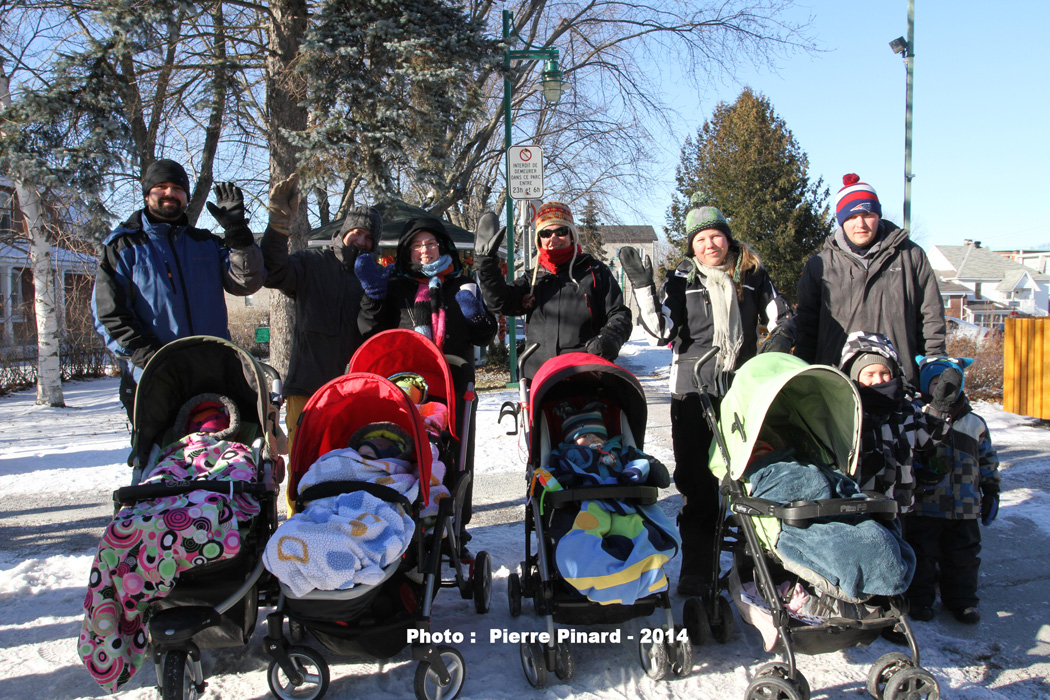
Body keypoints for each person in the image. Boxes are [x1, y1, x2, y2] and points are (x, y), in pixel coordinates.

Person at [618, 196, 790, 596]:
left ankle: (756, 565)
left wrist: (772, 353)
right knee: (698, 483)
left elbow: (783, 318)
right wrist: (643, 287)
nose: (710, 245)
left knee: (752, 477)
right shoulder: (681, 280)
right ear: (691, 247)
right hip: (693, 391)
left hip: (742, 390)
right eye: (700, 240)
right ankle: (698, 569)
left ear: (728, 240)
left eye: (716, 236)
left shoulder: (753, 277)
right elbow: (660, 330)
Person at [92, 159, 265, 424]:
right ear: (147, 193)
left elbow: (245, 283)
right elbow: (109, 315)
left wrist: (238, 234)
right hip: (154, 378)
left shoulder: (206, 243)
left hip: (213, 375)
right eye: (161, 187)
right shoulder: (123, 247)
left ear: (186, 196)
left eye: (177, 188)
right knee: (163, 461)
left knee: (223, 457)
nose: (170, 193)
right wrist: (150, 358)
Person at [356, 216, 497, 539]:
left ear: (443, 246)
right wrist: (372, 296)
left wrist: (475, 313)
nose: (424, 250)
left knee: (455, 454)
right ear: (407, 251)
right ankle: (401, 516)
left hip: (455, 382)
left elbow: (484, 336)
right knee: (405, 448)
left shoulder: (462, 282)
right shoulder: (395, 286)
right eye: (417, 245)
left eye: (430, 243)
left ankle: (454, 523)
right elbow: (370, 331)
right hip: (406, 382)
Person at [261, 173, 382, 452]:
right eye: (357, 233)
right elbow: (274, 273)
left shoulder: (375, 279)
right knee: (305, 466)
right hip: (307, 387)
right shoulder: (311, 263)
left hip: (355, 391)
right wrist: (278, 227)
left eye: (369, 237)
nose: (362, 241)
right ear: (344, 232)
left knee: (350, 467)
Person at [794, 173, 946, 387]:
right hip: (837, 382)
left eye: (868, 214)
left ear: (878, 215)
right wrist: (804, 375)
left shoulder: (911, 256)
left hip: (898, 381)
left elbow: (931, 316)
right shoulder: (820, 265)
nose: (861, 224)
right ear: (841, 221)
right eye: (852, 217)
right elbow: (807, 326)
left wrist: (934, 366)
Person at [473, 202, 632, 380]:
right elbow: (500, 301)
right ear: (539, 239)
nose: (553, 238)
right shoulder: (533, 279)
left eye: (561, 231)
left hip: (586, 374)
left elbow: (619, 314)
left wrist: (609, 339)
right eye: (546, 233)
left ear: (572, 234)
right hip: (539, 377)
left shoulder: (595, 272)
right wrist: (486, 264)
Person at [906, 356, 1000, 624]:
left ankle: (962, 601)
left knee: (964, 556)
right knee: (922, 554)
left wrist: (991, 489)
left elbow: (987, 459)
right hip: (926, 505)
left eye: (948, 384)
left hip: (965, 507)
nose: (942, 390)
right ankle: (920, 599)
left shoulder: (975, 423)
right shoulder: (918, 418)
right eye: (935, 384)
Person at [839, 331, 939, 513]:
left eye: (884, 373)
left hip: (898, 504)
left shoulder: (906, 411)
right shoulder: (845, 413)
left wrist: (939, 408)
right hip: (858, 506)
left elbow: (930, 440)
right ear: (854, 376)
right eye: (869, 374)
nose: (878, 380)